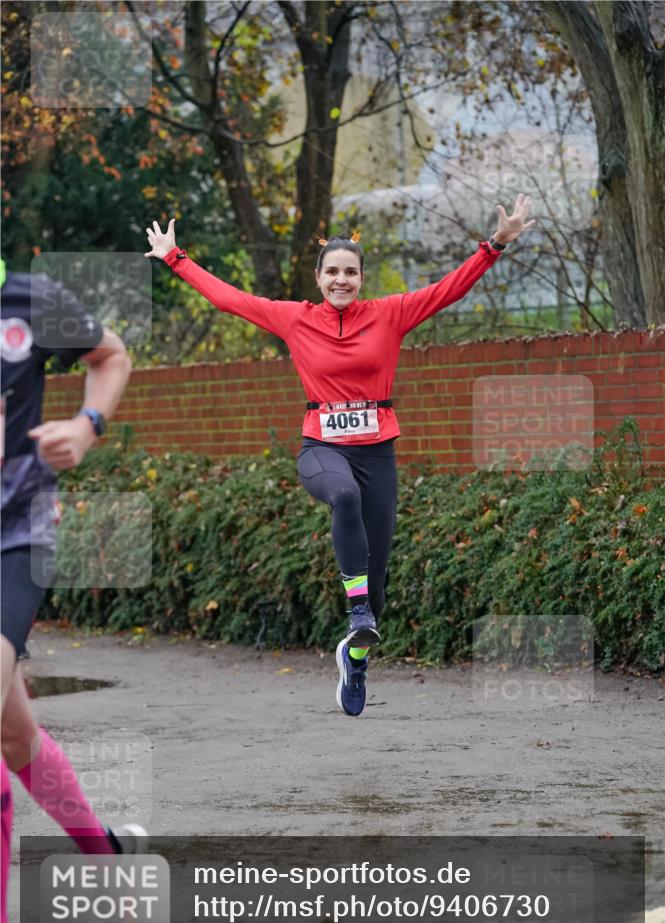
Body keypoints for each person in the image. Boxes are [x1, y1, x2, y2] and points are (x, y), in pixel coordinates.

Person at [144, 194, 535, 718]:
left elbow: (448, 290)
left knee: (378, 586)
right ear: (318, 276)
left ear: (361, 278)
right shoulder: (294, 319)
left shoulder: (391, 315)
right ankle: (355, 613)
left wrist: (496, 244)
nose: (341, 280)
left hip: (378, 455)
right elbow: (230, 299)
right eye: (333, 272)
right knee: (343, 498)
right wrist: (176, 258)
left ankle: (355, 657)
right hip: (322, 449)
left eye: (350, 272)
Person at [0, 259, 144, 923]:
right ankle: (109, 856)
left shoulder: (26, 297)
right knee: (13, 736)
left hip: (13, 538)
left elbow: (111, 354)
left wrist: (87, 427)